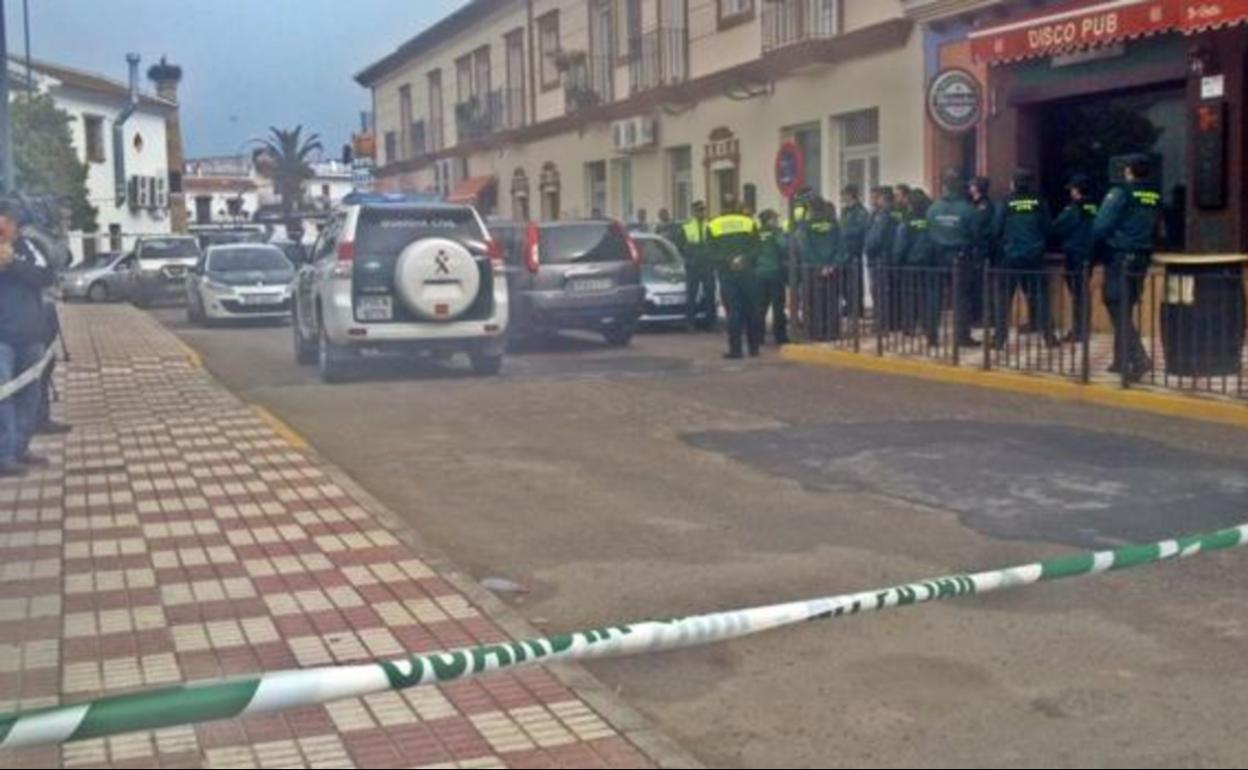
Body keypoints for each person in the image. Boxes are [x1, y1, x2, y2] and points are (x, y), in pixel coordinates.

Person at [0, 202, 55, 477]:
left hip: (30, 333)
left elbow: (46, 276)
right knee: (3, 394)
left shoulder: (29, 248)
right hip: (2, 338)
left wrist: (13, 264)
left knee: (29, 394)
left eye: (6, 223)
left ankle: (20, 447)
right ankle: (4, 454)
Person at [1094, 154, 1160, 381]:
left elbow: (1101, 225)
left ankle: (1138, 357)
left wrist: (1097, 251)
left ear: (1129, 170)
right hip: (1141, 258)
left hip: (1121, 257)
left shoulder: (1121, 192)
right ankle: (1120, 360)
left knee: (1116, 306)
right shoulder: (1153, 194)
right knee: (1125, 306)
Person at [991, 168, 1054, 350]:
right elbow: (1048, 228)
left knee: (1003, 299)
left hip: (1010, 257)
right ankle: (1049, 337)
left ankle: (999, 339)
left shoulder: (1006, 202)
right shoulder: (1039, 202)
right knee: (1040, 297)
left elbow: (996, 229)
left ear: (1014, 182)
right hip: (1034, 257)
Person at [706, 199, 763, 359]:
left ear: (723, 207)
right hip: (747, 273)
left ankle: (736, 350)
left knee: (733, 311)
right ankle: (754, 348)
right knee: (751, 309)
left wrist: (728, 260)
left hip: (727, 274)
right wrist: (743, 259)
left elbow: (710, 252)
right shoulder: (748, 222)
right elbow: (757, 248)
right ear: (736, 207)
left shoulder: (713, 225)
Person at [927, 171, 976, 345]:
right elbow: (975, 234)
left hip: (938, 256)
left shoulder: (933, 208)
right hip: (960, 256)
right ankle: (962, 337)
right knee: (961, 298)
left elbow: (929, 231)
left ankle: (932, 336)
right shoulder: (968, 209)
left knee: (935, 297)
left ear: (944, 187)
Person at [1050, 174, 1097, 343]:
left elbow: (1056, 228)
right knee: (1083, 293)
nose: (1071, 192)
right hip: (1090, 254)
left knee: (1078, 294)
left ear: (1077, 191)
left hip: (1075, 254)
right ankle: (1083, 330)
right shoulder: (1095, 206)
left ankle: (1079, 331)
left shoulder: (1072, 209)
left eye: (1072, 189)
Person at [797, 197, 842, 340]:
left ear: (810, 209)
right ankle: (833, 332)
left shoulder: (806, 226)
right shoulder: (834, 224)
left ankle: (816, 332)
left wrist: (819, 265)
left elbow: (805, 248)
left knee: (813, 301)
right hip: (832, 268)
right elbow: (841, 246)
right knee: (832, 300)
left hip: (813, 268)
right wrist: (832, 264)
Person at [896, 189, 937, 344]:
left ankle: (910, 326)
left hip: (910, 263)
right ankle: (928, 327)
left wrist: (897, 261)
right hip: (929, 262)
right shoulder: (931, 218)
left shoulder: (908, 220)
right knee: (928, 297)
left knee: (909, 295)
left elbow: (901, 243)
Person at [678, 201, 716, 331]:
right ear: (693, 212)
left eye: (703, 210)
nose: (702, 212)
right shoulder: (687, 226)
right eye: (699, 210)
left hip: (707, 264)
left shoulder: (711, 225)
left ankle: (711, 323)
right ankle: (690, 323)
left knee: (710, 294)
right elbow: (680, 246)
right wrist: (688, 258)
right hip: (693, 265)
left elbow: (715, 243)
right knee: (691, 295)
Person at [864, 186, 897, 327]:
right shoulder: (877, 214)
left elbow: (875, 239)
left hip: (880, 258)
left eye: (878, 198)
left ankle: (884, 322)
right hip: (881, 258)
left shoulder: (884, 216)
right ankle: (884, 320)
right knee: (879, 291)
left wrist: (868, 250)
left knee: (880, 291)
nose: (875, 200)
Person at [755, 209, 788, 346]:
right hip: (774, 272)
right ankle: (780, 336)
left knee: (760, 307)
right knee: (778, 306)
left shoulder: (755, 233)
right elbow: (783, 246)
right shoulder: (776, 232)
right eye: (774, 218)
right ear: (769, 220)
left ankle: (758, 337)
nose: (776, 221)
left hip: (759, 273)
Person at [967, 176, 996, 330]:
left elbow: (979, 228)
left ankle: (984, 317)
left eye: (972, 185)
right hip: (975, 249)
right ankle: (977, 316)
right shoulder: (974, 204)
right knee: (975, 285)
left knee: (982, 285)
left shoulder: (984, 205)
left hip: (981, 249)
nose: (969, 188)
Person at [840, 185, 869, 317]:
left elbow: (861, 229)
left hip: (855, 249)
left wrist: (844, 233)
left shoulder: (861, 211)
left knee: (855, 280)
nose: (842, 198)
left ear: (851, 195)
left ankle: (857, 308)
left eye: (844, 195)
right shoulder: (845, 211)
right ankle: (848, 305)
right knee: (845, 281)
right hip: (844, 250)